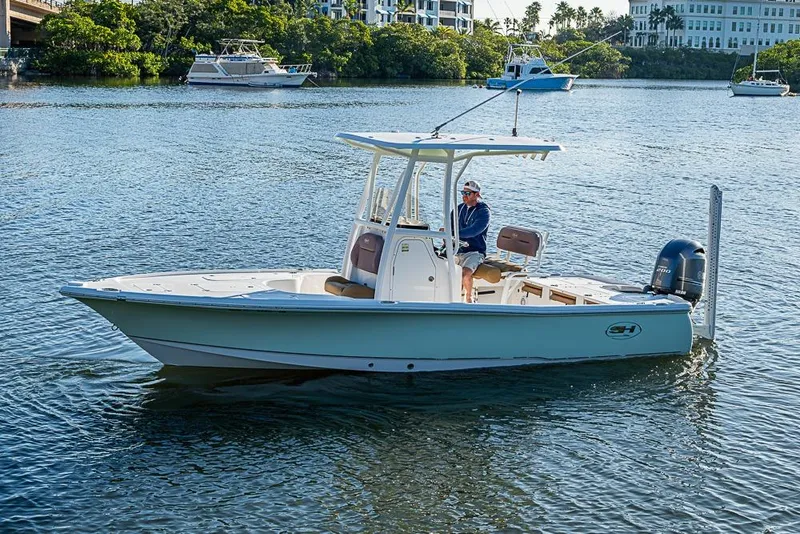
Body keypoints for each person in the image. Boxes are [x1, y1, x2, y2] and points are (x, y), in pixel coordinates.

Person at [453, 180, 491, 302]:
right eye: (463, 192)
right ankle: (451, 299)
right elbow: (449, 226)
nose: (464, 196)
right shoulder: (458, 209)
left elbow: (474, 230)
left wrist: (454, 233)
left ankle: (468, 299)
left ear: (476, 195)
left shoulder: (484, 212)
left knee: (465, 273)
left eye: (468, 193)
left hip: (475, 251)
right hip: (456, 249)